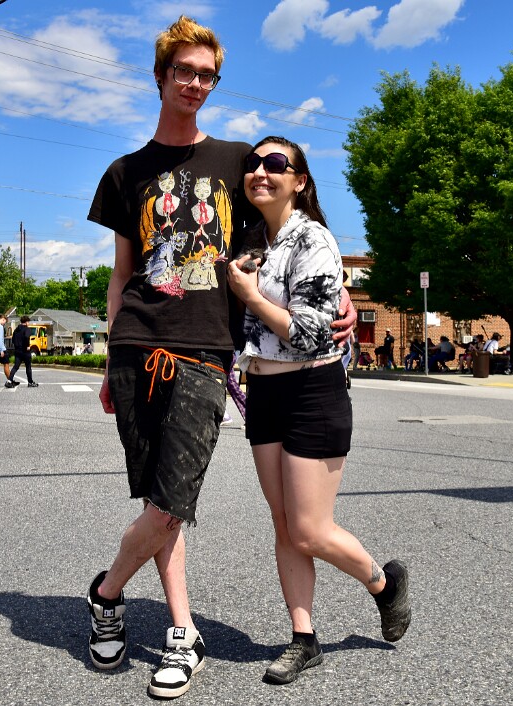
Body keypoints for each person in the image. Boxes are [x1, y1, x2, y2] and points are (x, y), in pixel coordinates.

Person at [84, 17, 356, 699]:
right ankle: (181, 631)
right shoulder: (123, 173)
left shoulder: (237, 160)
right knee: (162, 500)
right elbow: (122, 276)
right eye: (185, 71)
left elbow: (288, 218)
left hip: (207, 350)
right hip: (137, 344)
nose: (196, 83)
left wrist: (338, 293)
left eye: (207, 74)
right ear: (161, 76)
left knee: (174, 498)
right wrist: (111, 357)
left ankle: (107, 591)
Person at [228, 136, 410, 686]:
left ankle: (384, 583)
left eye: (276, 164)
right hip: (264, 394)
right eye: (253, 164)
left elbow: (309, 335)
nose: (262, 171)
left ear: (300, 180)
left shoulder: (316, 241)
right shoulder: (251, 241)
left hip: (313, 391)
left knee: (309, 528)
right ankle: (303, 639)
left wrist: (253, 298)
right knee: (285, 525)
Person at [7, 315, 38, 388]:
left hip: (17, 350)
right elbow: (27, 337)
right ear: (26, 322)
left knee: (16, 366)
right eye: (28, 322)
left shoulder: (16, 330)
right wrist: (27, 345)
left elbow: (13, 339)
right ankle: (30, 382)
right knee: (28, 367)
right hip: (25, 351)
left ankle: (9, 380)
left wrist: (17, 346)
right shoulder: (27, 329)